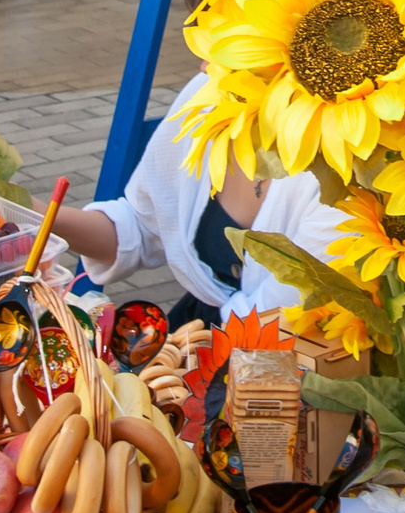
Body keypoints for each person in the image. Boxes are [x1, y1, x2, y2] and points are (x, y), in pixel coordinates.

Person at [48, 70, 348, 332]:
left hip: (285, 370)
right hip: (198, 341)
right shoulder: (208, 91)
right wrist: (34, 218)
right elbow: (141, 226)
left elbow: (277, 323)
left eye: (221, 31)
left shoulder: (347, 158)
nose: (202, 63)